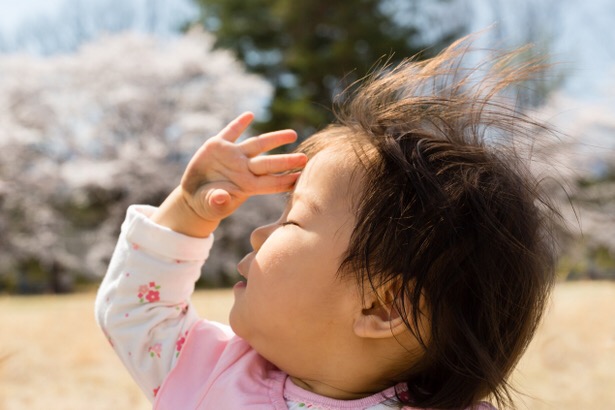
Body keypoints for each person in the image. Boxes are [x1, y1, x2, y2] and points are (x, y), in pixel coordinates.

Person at [95, 36, 557, 409]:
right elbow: (136, 312)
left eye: (292, 222)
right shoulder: (212, 373)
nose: (258, 233)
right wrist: (188, 209)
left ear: (382, 307)